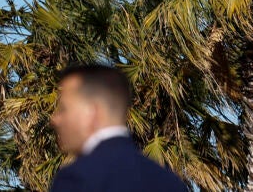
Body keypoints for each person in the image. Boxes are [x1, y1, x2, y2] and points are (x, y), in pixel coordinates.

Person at [49, 64, 188, 192]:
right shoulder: (171, 183)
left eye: (64, 109)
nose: (54, 119)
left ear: (93, 112)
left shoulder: (76, 178)